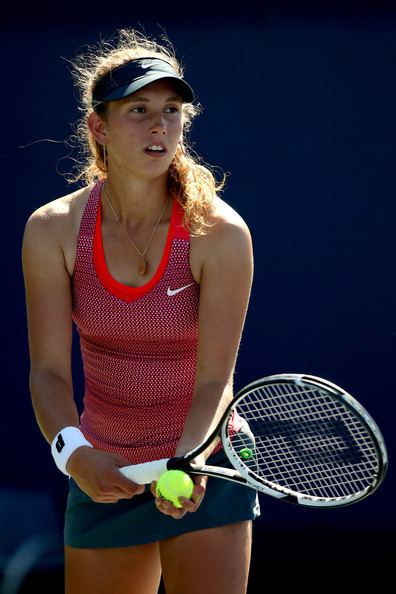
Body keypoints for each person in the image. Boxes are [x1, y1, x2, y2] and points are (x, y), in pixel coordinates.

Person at [22, 28, 259, 594]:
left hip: (205, 460)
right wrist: (75, 454)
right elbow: (49, 373)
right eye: (139, 110)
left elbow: (214, 380)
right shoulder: (52, 230)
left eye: (172, 110)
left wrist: (186, 462)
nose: (160, 125)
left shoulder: (220, 234)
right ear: (98, 127)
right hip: (105, 466)